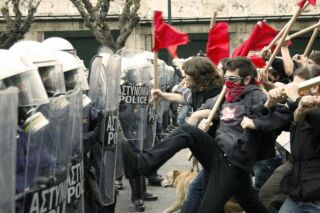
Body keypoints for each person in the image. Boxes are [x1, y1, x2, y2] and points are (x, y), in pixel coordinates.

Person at [122, 57, 292, 213]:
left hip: (234, 163)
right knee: (188, 131)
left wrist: (256, 121)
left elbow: (284, 116)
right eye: (226, 78)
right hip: (216, 153)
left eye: (232, 79)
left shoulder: (256, 96)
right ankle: (142, 164)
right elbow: (203, 106)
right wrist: (204, 116)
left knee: (243, 202)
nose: (228, 83)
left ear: (247, 79)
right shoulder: (226, 95)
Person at [259, 65, 320, 213]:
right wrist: (269, 103)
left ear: (313, 88)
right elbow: (267, 121)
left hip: (315, 191)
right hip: (299, 186)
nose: (293, 88)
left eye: (297, 85)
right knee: (266, 195)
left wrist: (295, 97)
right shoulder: (298, 105)